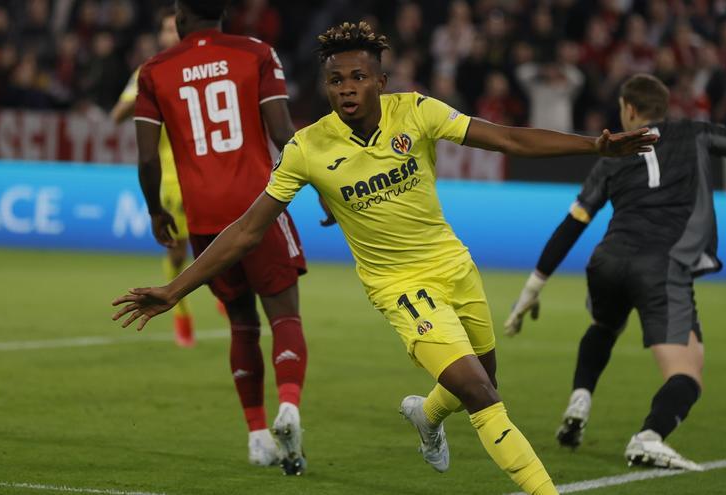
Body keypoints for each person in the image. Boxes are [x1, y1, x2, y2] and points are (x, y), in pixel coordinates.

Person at [113, 21, 655, 494]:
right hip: (399, 287)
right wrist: (175, 289)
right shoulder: (307, 148)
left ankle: (427, 414)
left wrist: (595, 146)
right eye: (334, 81)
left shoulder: (416, 113)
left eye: (356, 78)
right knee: (481, 392)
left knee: (482, 379)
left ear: (380, 81)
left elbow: (509, 138)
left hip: (455, 268)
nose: (345, 89)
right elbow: (247, 231)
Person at [504, 74, 726, 471]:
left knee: (604, 326)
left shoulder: (612, 155)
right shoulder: (695, 132)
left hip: (608, 261)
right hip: (662, 265)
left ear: (629, 109)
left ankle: (581, 396)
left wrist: (532, 287)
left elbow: (574, 222)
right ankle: (649, 436)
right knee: (687, 371)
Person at [130, 0, 310, 473]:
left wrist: (155, 210)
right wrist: (324, 186)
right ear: (222, 15)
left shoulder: (154, 70)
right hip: (261, 207)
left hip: (206, 222)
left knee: (241, 324)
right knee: (285, 316)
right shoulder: (256, 52)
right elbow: (283, 133)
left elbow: (147, 158)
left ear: (181, 19)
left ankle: (255, 436)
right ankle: (288, 406)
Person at [110, 8, 194, 348]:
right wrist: (143, 93)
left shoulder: (204, 68)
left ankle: (223, 291)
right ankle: (181, 311)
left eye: (176, 30)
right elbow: (117, 115)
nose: (170, 37)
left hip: (211, 173)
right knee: (179, 252)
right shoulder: (149, 72)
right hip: (172, 178)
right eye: (165, 31)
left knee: (226, 245)